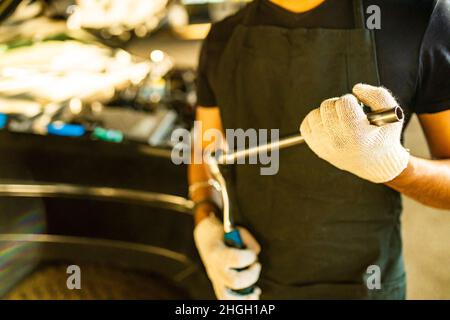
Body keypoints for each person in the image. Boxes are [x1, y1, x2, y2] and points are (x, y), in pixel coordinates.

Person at [188, 0, 450, 299]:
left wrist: (394, 166)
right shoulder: (222, 39)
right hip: (253, 286)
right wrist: (205, 220)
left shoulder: (419, 19)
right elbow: (205, 149)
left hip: (365, 287)